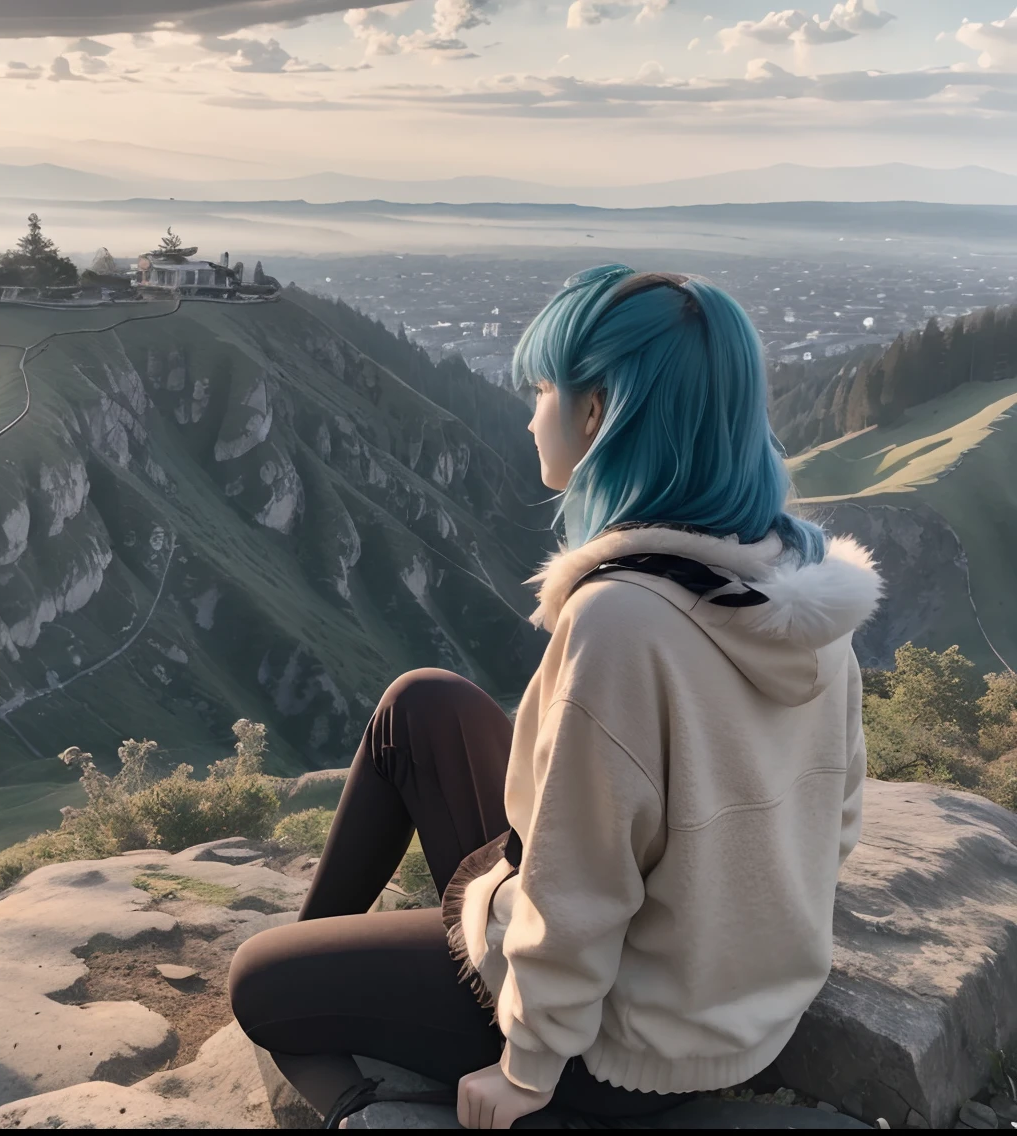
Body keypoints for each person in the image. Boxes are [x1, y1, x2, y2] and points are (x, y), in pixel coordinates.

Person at [228, 265, 881, 1128]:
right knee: (422, 703)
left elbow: (580, 894)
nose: (532, 410)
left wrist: (528, 1069)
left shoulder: (623, 620)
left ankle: (366, 1110)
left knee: (258, 983)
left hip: (617, 1043)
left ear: (598, 414)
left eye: (544, 387)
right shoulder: (799, 585)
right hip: (724, 992)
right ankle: (320, 955)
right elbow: (836, 816)